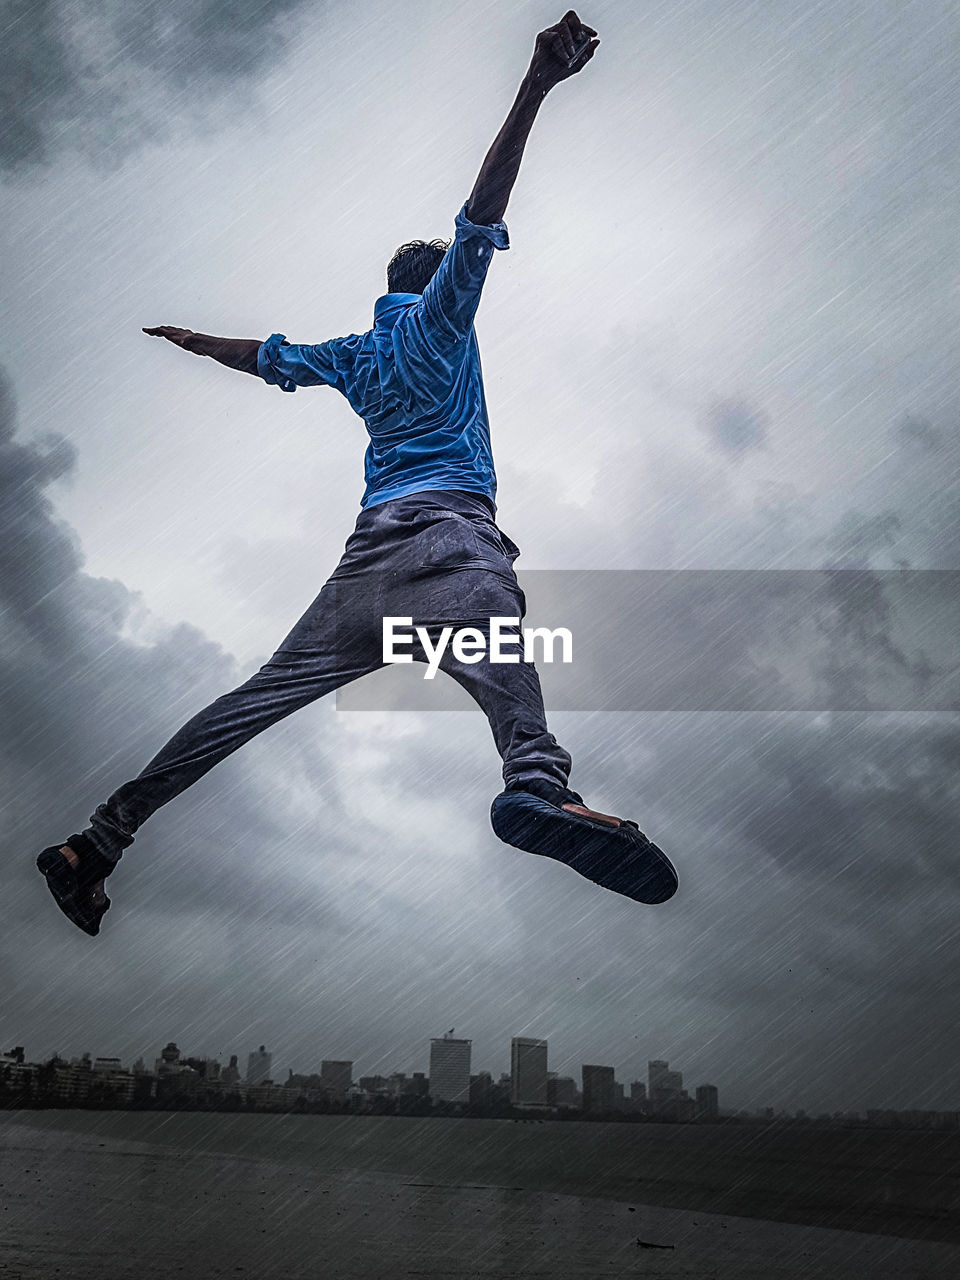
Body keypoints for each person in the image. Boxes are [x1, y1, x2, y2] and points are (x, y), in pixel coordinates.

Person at [37, 11, 677, 937]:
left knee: (251, 702)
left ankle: (98, 841)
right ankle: (540, 788)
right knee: (506, 654)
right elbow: (481, 216)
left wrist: (191, 340)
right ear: (433, 287)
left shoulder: (352, 353)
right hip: (449, 543)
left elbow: (266, 356)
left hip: (363, 570)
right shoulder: (439, 320)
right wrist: (536, 85)